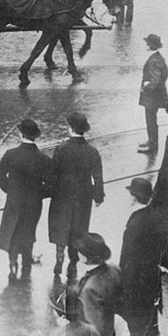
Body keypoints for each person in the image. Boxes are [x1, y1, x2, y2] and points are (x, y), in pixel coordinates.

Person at [0, 119, 54, 280]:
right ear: (35, 137)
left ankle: (13, 264)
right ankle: (26, 265)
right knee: (28, 232)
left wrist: (10, 189)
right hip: (33, 204)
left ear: (20, 134)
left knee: (12, 231)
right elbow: (51, 185)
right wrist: (38, 194)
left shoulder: (11, 154)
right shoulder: (43, 159)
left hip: (14, 201)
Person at [48, 113, 104, 279]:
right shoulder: (92, 151)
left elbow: (53, 173)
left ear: (71, 128)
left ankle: (59, 257)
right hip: (83, 196)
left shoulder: (61, 149)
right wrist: (98, 196)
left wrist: (50, 192)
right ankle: (73, 261)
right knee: (78, 228)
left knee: (61, 226)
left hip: (62, 196)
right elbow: (98, 177)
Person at [119, 177, 168, 336]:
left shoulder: (135, 222)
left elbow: (127, 259)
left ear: (133, 197)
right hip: (152, 278)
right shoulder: (158, 217)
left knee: (137, 325)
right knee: (151, 320)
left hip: (136, 283)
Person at [74, 233, 123, 336]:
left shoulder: (89, 289)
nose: (78, 253)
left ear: (86, 257)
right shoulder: (114, 270)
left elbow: (93, 325)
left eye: (80, 251)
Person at [138, 34, 168, 154]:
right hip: (159, 94)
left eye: (148, 43)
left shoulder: (153, 61)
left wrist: (146, 86)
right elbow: (165, 75)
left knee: (150, 119)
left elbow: (156, 80)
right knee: (152, 119)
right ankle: (152, 141)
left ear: (151, 45)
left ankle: (152, 144)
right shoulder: (159, 57)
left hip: (152, 97)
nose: (146, 45)